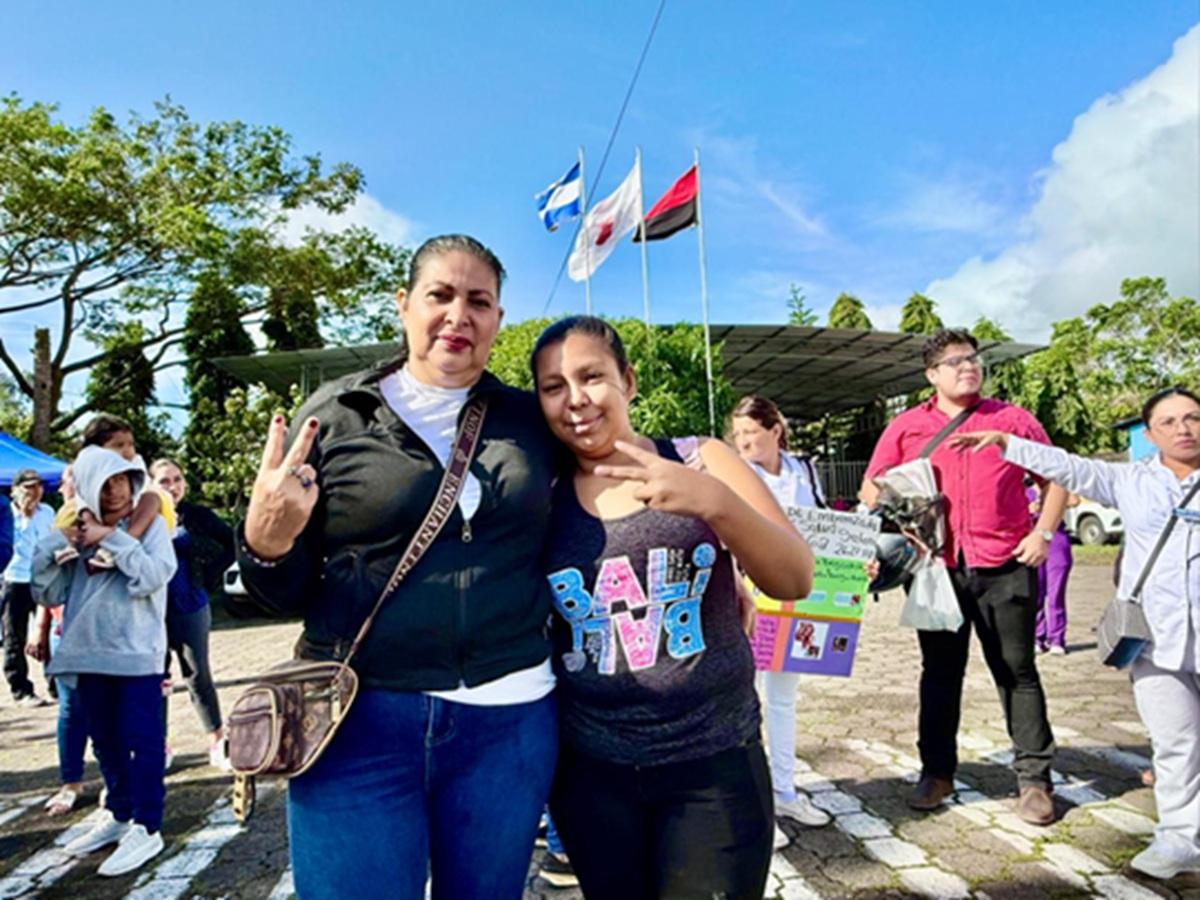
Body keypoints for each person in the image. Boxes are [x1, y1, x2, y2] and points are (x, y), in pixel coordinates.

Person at [237, 235, 559, 900]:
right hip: (361, 720)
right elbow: (282, 590)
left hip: (510, 722)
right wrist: (264, 538)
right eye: (440, 295)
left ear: (498, 317)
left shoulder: (530, 422)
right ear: (403, 305)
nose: (458, 315)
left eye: (479, 301)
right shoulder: (337, 416)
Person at [532, 316, 815, 899]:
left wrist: (714, 504)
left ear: (628, 381)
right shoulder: (541, 494)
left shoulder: (701, 458)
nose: (576, 400)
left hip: (714, 764)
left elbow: (793, 577)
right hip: (591, 774)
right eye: (553, 386)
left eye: (592, 377)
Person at [949, 386, 1200, 880]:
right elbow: (1070, 468)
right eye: (1168, 422)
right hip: (1157, 633)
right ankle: (1178, 838)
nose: (1183, 429)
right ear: (1149, 435)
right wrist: (1008, 443)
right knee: (1175, 742)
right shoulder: (1131, 480)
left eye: (1192, 418)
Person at [859, 328, 1068, 826]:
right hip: (936, 570)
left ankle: (1035, 781)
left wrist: (1042, 532)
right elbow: (871, 488)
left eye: (972, 359)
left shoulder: (1012, 420)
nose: (968, 367)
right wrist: (903, 513)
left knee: (1017, 671)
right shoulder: (908, 426)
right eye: (954, 362)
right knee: (940, 674)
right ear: (932, 375)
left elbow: (1056, 475)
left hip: (1006, 565)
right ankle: (936, 773)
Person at [32, 445, 176, 876]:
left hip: (136, 654)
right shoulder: (75, 527)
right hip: (87, 652)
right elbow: (48, 593)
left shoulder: (150, 526)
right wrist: (56, 549)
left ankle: (148, 826)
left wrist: (111, 539)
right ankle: (118, 813)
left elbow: (153, 576)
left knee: (144, 740)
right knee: (105, 740)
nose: (116, 491)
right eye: (107, 482)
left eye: (123, 480)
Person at [729, 395, 832, 829]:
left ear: (776, 430)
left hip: (798, 595)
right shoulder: (734, 473)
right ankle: (749, 806)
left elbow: (827, 526)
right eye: (737, 435)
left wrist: (855, 561)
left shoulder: (804, 470)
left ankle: (785, 791)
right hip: (750, 596)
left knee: (784, 698)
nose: (743, 443)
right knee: (741, 698)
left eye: (751, 432)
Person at [150, 459, 235, 770]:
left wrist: (189, 547)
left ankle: (217, 739)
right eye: (163, 481)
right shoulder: (142, 516)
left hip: (191, 604)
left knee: (197, 674)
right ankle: (158, 745)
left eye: (177, 479)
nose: (172, 487)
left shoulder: (197, 516)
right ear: (150, 485)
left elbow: (228, 546)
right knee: (155, 679)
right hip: (152, 611)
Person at [26, 464, 94, 815]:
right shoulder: (58, 524)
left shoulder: (108, 519)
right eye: (69, 480)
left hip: (102, 632)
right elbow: (47, 586)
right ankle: (70, 781)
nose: (72, 485)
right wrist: (39, 628)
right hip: (62, 628)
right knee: (70, 709)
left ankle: (116, 783)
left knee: (106, 708)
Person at [52, 414, 176, 570]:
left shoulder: (135, 462)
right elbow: (81, 499)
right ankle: (66, 547)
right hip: (90, 509)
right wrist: (89, 521)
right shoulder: (87, 466)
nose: (127, 451)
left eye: (130, 444)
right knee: (69, 513)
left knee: (152, 497)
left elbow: (142, 489)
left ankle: (124, 541)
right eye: (118, 445)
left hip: (133, 508)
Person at [4, 469, 54, 707]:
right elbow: (10, 544)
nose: (36, 492)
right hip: (15, 578)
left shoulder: (48, 513)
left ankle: (55, 683)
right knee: (15, 634)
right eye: (29, 487)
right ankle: (21, 689)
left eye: (39, 486)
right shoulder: (8, 514)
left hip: (43, 578)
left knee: (51, 631)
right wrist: (24, 518)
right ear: (16, 491)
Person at [1026, 481, 1076, 655]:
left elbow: (1074, 500)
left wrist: (1052, 502)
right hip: (1034, 543)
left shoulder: (1057, 488)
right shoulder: (1025, 491)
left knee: (1056, 593)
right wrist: (1029, 509)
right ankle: (1038, 637)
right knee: (1036, 593)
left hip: (1057, 543)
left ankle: (1057, 638)